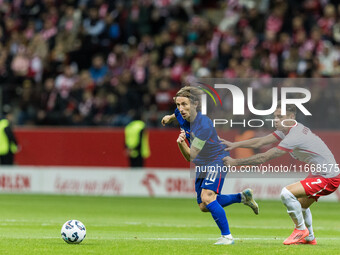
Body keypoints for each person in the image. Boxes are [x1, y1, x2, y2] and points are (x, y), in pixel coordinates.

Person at [222, 103, 340, 245]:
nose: (276, 120)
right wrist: (236, 144)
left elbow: (264, 157)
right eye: (274, 117)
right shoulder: (287, 130)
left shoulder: (295, 136)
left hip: (329, 178)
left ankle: (301, 230)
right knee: (301, 205)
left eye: (280, 116)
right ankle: (310, 237)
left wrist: (235, 162)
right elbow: (261, 141)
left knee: (286, 193)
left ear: (291, 117)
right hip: (319, 173)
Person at [168, 86, 259, 245]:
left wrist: (181, 143)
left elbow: (191, 155)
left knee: (207, 197)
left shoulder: (204, 125)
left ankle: (227, 237)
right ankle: (242, 197)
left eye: (184, 104)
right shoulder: (180, 114)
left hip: (217, 160)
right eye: (178, 105)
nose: (180, 109)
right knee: (204, 206)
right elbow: (175, 115)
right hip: (203, 163)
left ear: (195, 104)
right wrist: (168, 118)